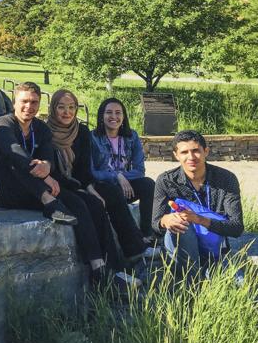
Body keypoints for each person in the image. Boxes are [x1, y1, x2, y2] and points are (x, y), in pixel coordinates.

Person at [46, 90, 148, 287]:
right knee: (92, 206)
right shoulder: (45, 131)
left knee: (110, 194)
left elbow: (84, 169)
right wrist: (85, 190)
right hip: (58, 185)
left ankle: (134, 251)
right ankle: (109, 270)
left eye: (71, 107)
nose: (67, 112)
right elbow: (53, 171)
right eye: (61, 107)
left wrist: (89, 188)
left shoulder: (81, 132)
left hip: (81, 183)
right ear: (53, 109)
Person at [153, 130, 244, 277]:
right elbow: (155, 223)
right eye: (184, 152)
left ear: (206, 151)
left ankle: (208, 272)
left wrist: (199, 219)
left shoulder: (226, 178)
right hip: (182, 243)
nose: (191, 157)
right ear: (176, 155)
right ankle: (191, 282)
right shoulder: (166, 181)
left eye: (196, 151)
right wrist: (165, 220)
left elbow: (237, 227)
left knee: (239, 286)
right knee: (180, 224)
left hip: (216, 248)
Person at [91, 98, 158, 242]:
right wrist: (117, 177)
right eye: (109, 112)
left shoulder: (131, 136)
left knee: (148, 184)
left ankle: (147, 234)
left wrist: (123, 177)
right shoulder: (93, 138)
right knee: (112, 191)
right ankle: (130, 240)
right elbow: (93, 172)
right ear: (101, 116)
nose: (114, 117)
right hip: (106, 187)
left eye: (118, 113)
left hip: (127, 186)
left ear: (123, 116)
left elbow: (140, 170)